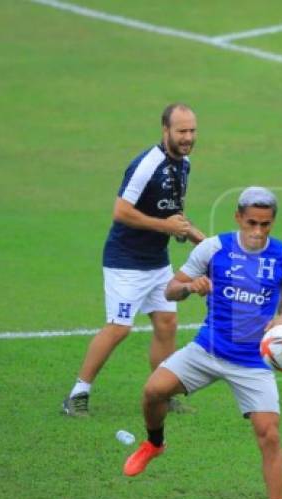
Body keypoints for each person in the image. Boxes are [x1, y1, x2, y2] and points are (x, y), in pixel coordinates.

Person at [122, 187, 282, 499]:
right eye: (252, 222)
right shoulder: (214, 249)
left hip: (253, 361)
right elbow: (170, 290)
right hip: (208, 349)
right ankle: (155, 443)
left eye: (266, 224)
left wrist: (281, 318)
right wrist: (190, 287)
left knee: (270, 435)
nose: (258, 231)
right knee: (153, 391)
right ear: (238, 218)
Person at [62, 103, 205, 417]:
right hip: (125, 261)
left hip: (157, 260)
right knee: (119, 328)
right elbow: (121, 211)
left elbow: (172, 212)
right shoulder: (145, 165)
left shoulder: (184, 164)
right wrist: (165, 226)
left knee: (167, 323)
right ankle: (77, 394)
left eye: (192, 130)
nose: (188, 137)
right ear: (165, 130)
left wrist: (196, 237)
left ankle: (161, 394)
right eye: (182, 131)